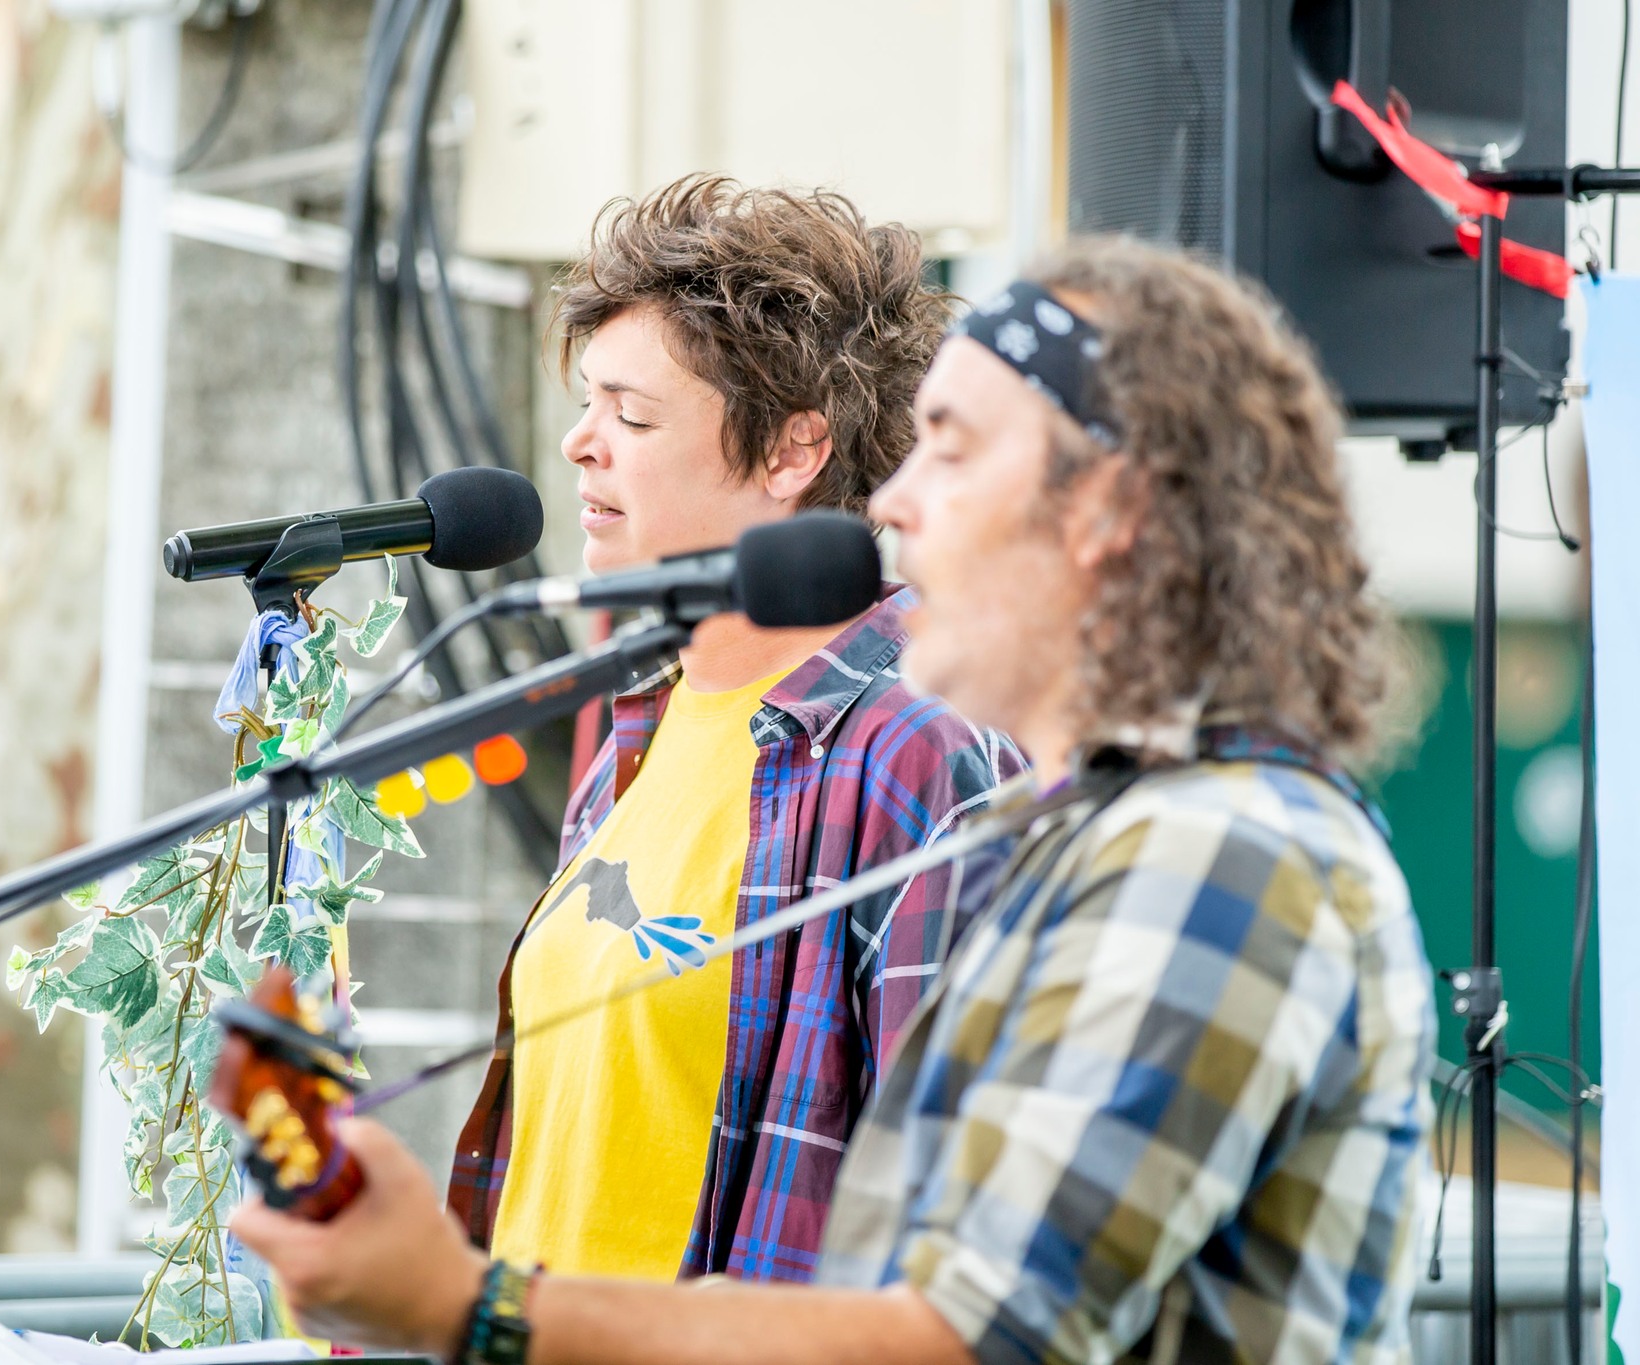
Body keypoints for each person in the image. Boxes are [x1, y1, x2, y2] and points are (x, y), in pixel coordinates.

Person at [232, 235, 1437, 1365]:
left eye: (953, 450)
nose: (898, 503)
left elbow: (960, 1338)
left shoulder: (1221, 852)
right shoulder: (1096, 834)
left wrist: (467, 1305)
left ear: (1110, 512)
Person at [449, 174, 1025, 1285]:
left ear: (792, 451)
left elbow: (946, 1225)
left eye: (632, 415)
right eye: (585, 404)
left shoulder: (917, 748)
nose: (579, 444)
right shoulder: (641, 718)